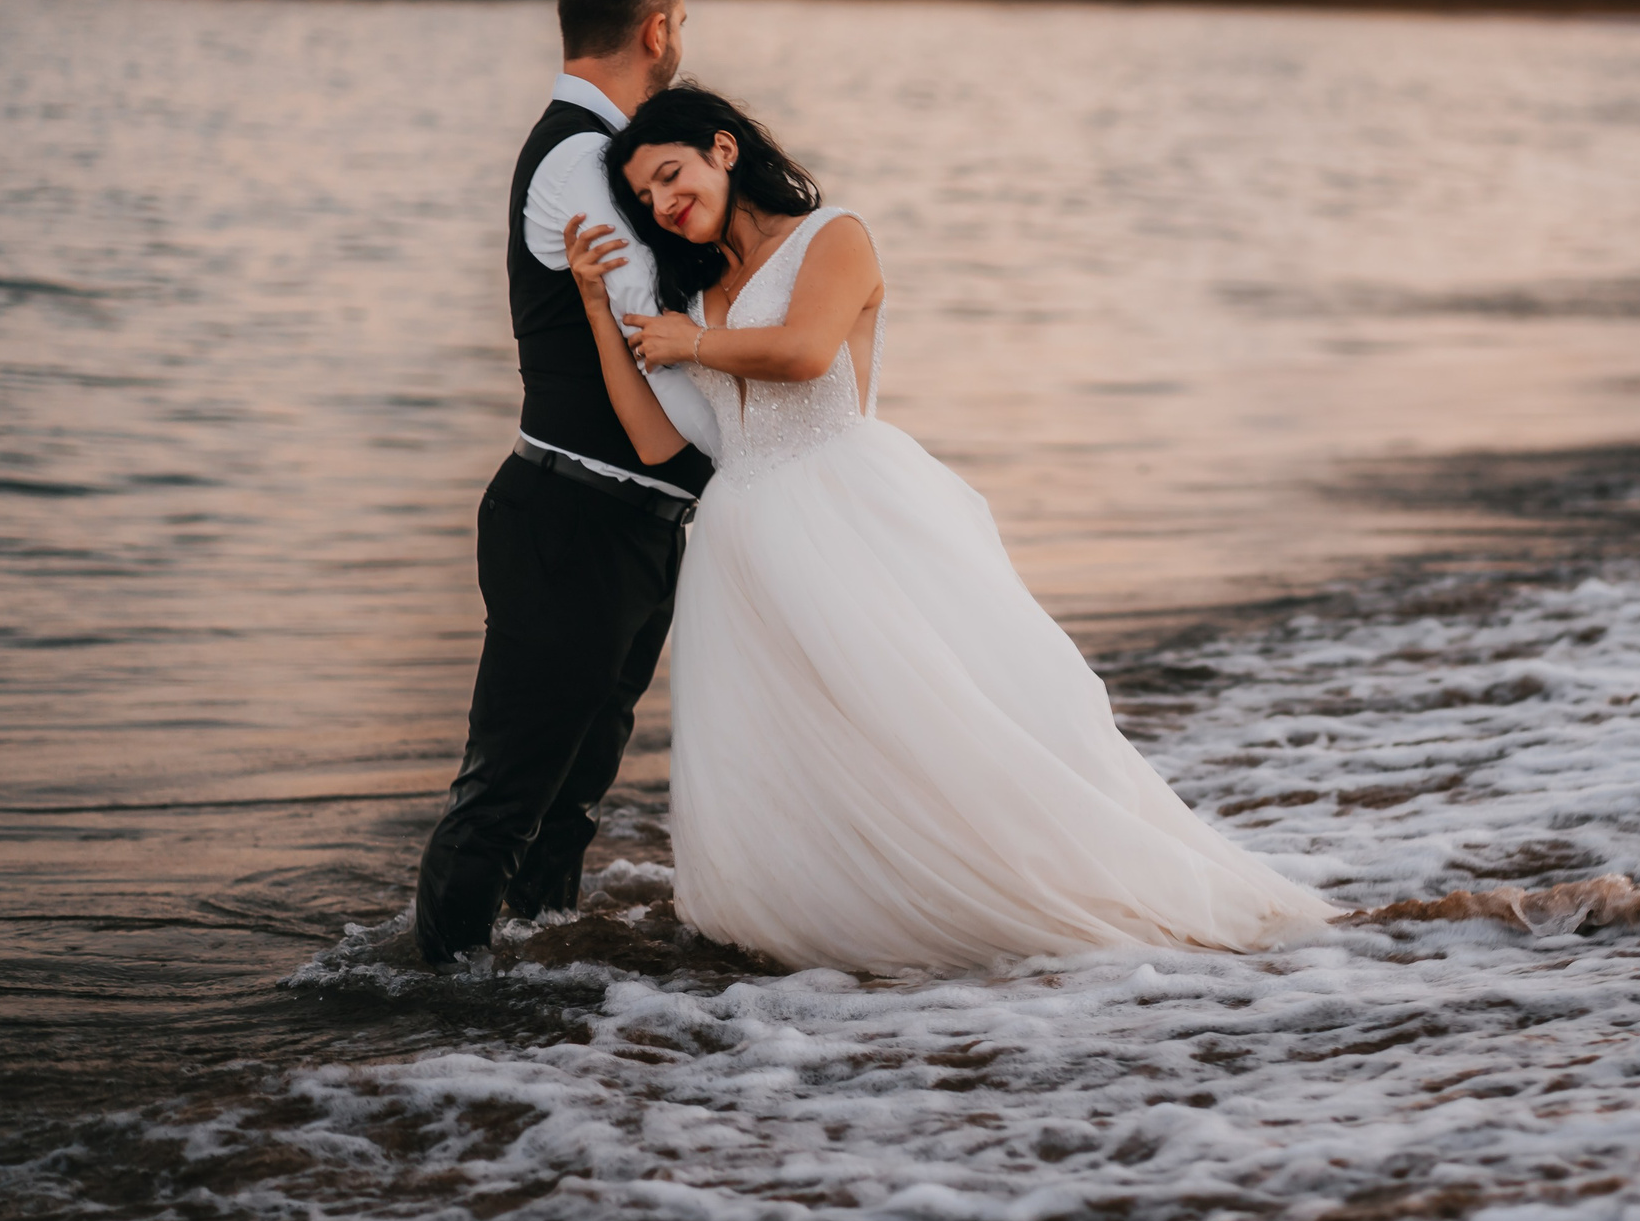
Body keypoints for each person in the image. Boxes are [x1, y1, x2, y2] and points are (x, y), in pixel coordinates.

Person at [556, 87, 1339, 973]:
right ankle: (822, 940)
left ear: (724, 150)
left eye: (671, 175)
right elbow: (657, 439)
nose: (663, 204)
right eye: (646, 197)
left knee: (922, 726)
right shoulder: (693, 296)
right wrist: (596, 307)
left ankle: (1013, 906)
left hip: (843, 511)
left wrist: (685, 346)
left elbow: (808, 352)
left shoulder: (833, 236)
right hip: (741, 545)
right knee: (797, 763)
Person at [413, 0, 719, 965]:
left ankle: (524, 998)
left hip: (624, 523)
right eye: (682, 20)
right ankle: (431, 1009)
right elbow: (658, 328)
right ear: (657, 29)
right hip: (572, 517)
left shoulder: (604, 151)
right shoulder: (582, 158)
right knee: (507, 791)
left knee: (571, 796)